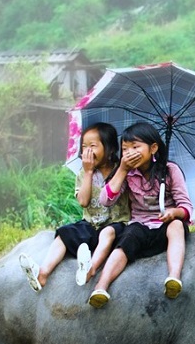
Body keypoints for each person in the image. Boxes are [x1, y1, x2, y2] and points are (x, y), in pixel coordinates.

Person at [88, 122, 193, 308]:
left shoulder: (170, 170)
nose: (129, 153)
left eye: (135, 147)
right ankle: (101, 286)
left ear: (153, 148)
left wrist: (173, 213)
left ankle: (174, 277)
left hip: (165, 226)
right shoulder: (127, 174)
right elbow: (106, 200)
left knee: (177, 225)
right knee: (128, 237)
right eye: (125, 149)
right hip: (140, 225)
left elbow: (185, 206)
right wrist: (122, 169)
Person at [19, 122, 130, 292]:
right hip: (91, 224)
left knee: (108, 233)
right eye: (84, 146)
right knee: (65, 233)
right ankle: (42, 274)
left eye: (93, 146)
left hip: (115, 226)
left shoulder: (121, 171)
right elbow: (83, 202)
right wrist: (88, 173)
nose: (88, 151)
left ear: (110, 149)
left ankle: (89, 269)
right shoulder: (83, 174)